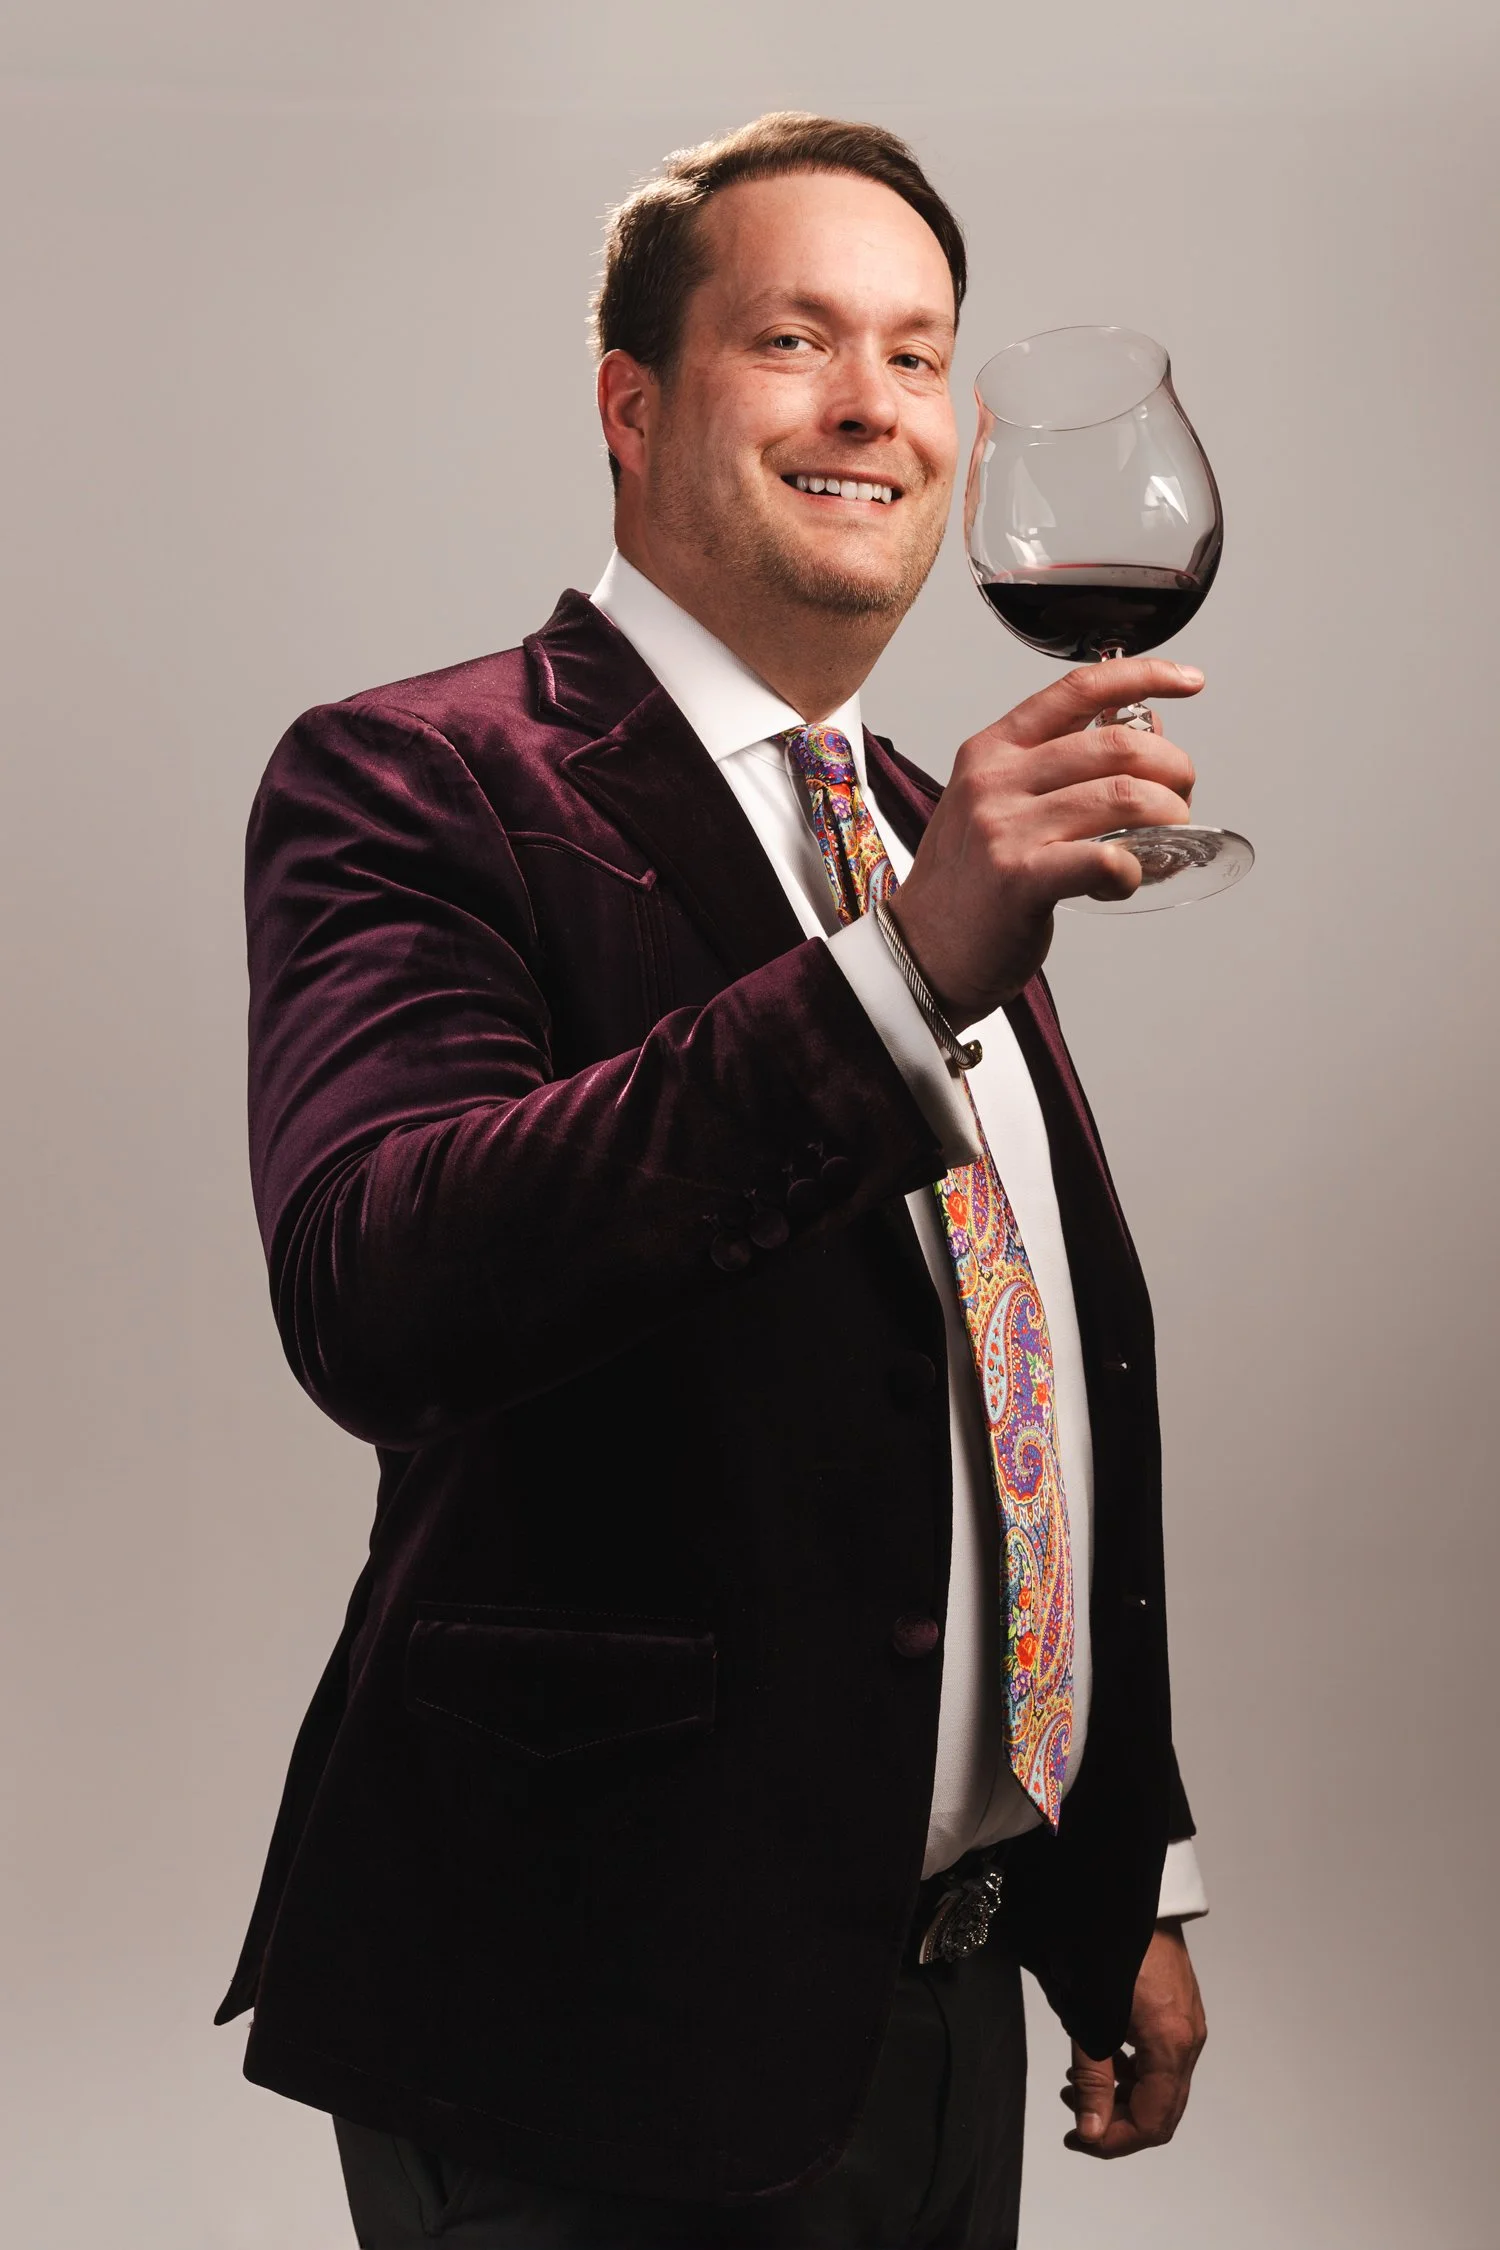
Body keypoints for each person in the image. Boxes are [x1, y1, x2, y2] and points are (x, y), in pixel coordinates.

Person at [217, 113, 1210, 2249]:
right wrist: (904, 970)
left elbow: (1012, 1379)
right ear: (633, 404)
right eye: (797, 338)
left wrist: (1115, 1863)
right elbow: (383, 1281)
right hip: (582, 2013)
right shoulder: (415, 779)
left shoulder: (932, 822)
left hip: (932, 2001)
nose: (877, 405)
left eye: (923, 355)